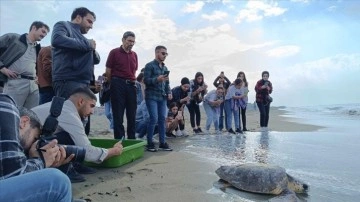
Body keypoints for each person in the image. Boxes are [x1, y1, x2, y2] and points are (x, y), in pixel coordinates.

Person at [32, 87, 123, 182]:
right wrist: (113, 151)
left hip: (32, 146)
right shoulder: (69, 114)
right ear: (81, 101)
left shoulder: (60, 106)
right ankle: (63, 170)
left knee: (71, 136)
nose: (92, 112)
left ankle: (72, 164)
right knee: (69, 137)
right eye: (91, 106)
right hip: (31, 153)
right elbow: (89, 153)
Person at [0, 94, 80, 201]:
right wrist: (41, 160)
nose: (31, 148)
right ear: (23, 122)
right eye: (34, 139)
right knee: (57, 182)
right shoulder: (4, 102)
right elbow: (13, 174)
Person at [51, 7, 100, 99]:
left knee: (81, 113)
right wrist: (88, 44)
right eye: (89, 21)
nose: (91, 26)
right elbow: (57, 39)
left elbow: (97, 60)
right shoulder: (63, 25)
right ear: (78, 18)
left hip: (84, 83)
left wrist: (92, 48)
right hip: (68, 81)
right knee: (67, 112)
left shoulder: (84, 39)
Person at [0, 21, 50, 108]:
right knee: (12, 112)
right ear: (34, 28)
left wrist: (38, 76)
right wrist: (2, 68)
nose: (44, 35)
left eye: (46, 34)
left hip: (33, 85)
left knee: (31, 115)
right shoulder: (13, 38)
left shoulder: (38, 48)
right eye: (43, 31)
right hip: (15, 82)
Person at [106, 31, 138, 140]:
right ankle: (120, 142)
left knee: (132, 115)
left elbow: (134, 71)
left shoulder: (134, 55)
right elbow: (108, 70)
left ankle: (132, 140)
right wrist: (112, 84)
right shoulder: (114, 52)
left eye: (133, 42)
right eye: (129, 41)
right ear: (123, 40)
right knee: (118, 115)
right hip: (117, 84)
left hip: (131, 85)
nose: (131, 43)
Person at [143, 45, 173, 152]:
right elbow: (146, 80)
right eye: (163, 53)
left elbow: (167, 83)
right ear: (157, 53)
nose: (165, 55)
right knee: (153, 118)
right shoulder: (149, 66)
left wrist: (169, 92)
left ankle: (162, 143)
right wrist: (157, 79)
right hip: (151, 96)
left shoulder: (165, 68)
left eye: (166, 54)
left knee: (162, 120)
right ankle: (149, 143)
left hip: (162, 97)